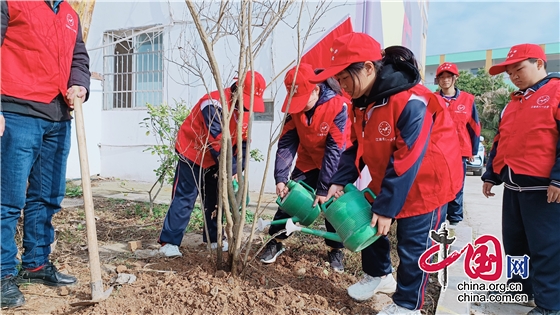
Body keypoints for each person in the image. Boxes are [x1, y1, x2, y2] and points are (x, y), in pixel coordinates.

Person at [312, 33, 463, 315]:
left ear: (369, 67)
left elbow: (409, 156)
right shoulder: (364, 103)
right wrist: (338, 180)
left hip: (428, 181)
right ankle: (379, 275)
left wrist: (387, 207)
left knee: (412, 245)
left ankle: (408, 305)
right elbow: (355, 145)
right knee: (369, 222)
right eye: (339, 81)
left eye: (346, 78)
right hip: (391, 174)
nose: (343, 87)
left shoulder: (412, 101)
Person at [0, 0, 90, 309]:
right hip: (16, 112)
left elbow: (78, 58)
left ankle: (36, 263)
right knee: (7, 199)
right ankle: (1, 274)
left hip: (58, 116)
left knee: (47, 195)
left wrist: (80, 85)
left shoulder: (68, 14)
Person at [482, 43, 560, 315]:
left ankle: (550, 305)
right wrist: (491, 174)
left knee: (546, 248)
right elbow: (500, 141)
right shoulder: (514, 102)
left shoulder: (557, 92)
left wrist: (558, 180)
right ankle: (520, 287)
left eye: (519, 68)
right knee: (515, 244)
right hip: (514, 187)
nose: (514, 75)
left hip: (544, 190)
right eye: (509, 72)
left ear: (540, 63)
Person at [157, 71, 266, 257]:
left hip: (218, 159)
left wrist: (238, 170)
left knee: (215, 200)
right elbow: (217, 141)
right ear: (236, 89)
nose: (246, 107)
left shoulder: (245, 111)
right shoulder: (213, 103)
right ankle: (169, 242)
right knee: (185, 197)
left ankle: (214, 239)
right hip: (193, 152)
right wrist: (229, 169)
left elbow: (245, 142)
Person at [259, 63, 350, 272]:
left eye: (302, 99)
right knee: (289, 199)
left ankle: (335, 249)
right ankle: (276, 241)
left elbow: (335, 149)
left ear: (316, 90)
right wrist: (280, 178)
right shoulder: (295, 109)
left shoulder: (338, 106)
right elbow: (286, 144)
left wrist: (324, 187)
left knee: (333, 206)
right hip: (308, 161)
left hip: (336, 163)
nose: (299, 105)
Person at [434, 62, 481, 225]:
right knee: (438, 186)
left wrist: (473, 151)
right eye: (442, 77)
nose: (445, 80)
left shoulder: (467, 99)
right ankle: (437, 221)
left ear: (455, 78)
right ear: (438, 80)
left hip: (459, 152)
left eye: (448, 76)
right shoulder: (432, 99)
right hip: (437, 152)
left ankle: (455, 220)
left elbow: (474, 126)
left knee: (457, 186)